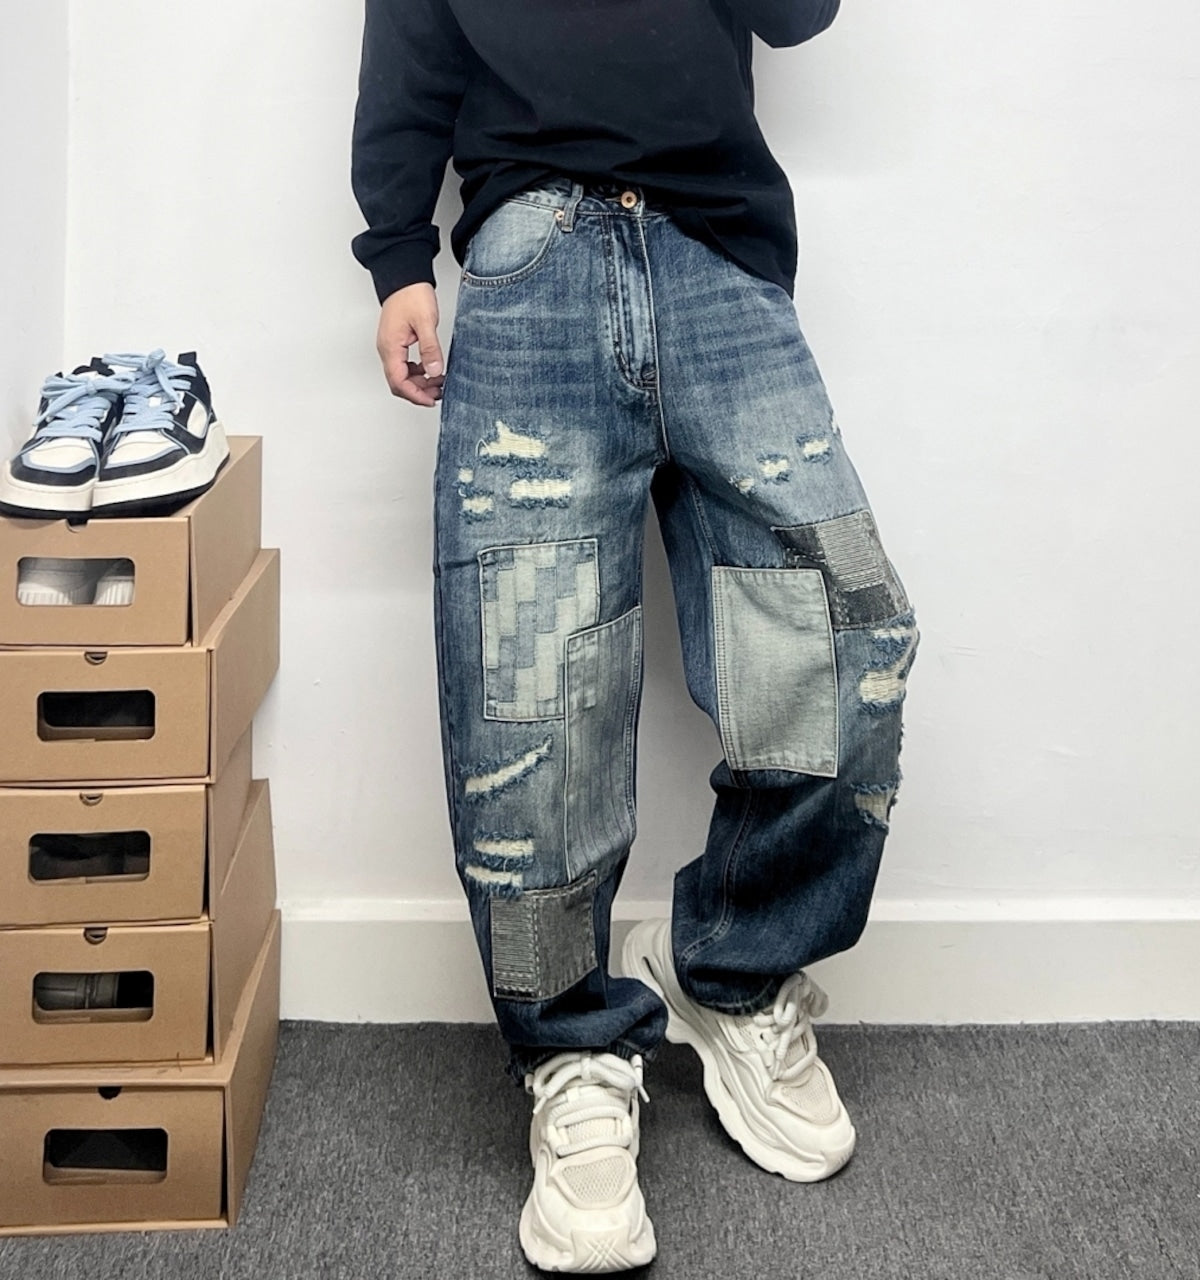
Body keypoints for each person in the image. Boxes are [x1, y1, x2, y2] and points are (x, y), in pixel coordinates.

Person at [351, 0, 920, 1270]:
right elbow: (409, 41)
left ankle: (730, 971)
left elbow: (800, 13)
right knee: (529, 700)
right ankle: (571, 1052)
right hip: (528, 255)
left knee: (844, 641)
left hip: (716, 254)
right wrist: (396, 256)